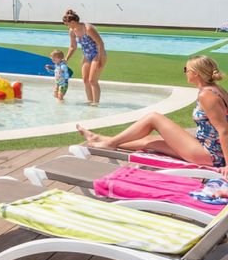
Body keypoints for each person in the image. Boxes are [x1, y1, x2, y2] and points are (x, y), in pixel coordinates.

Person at [78, 55, 228, 173]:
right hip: (207, 147)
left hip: (210, 154)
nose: (185, 72)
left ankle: (110, 143)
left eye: (186, 69)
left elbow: (224, 130)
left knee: (153, 118)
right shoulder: (216, 89)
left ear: (195, 73)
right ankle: (101, 139)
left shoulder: (207, 95)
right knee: (150, 141)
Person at [63, 9, 107, 106]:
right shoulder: (72, 31)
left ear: (73, 22)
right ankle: (90, 102)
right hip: (87, 55)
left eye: (67, 24)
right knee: (85, 80)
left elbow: (100, 44)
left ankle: (96, 104)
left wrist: (100, 59)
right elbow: (73, 46)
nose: (67, 26)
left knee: (92, 80)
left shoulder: (88, 29)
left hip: (98, 54)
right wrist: (66, 59)